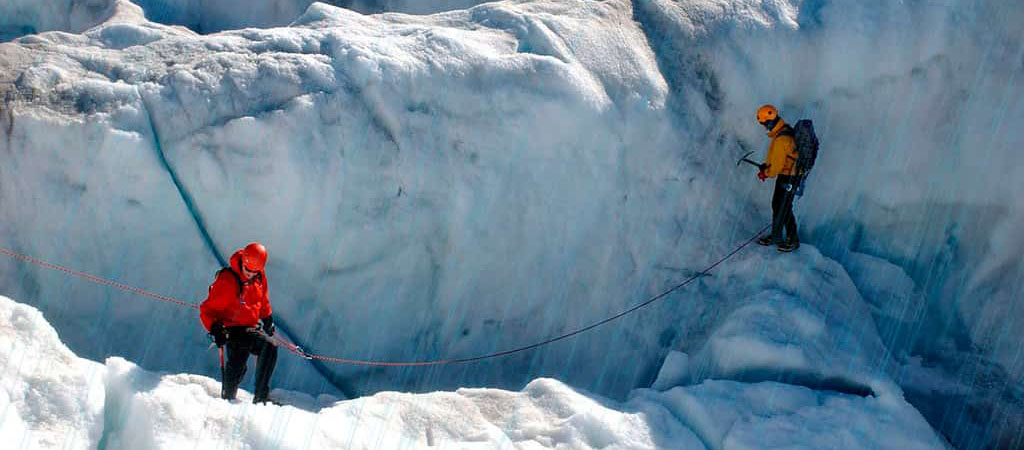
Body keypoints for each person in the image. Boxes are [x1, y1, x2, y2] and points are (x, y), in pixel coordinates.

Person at [199, 242, 279, 403]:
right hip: (231, 329)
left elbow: (262, 299)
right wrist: (215, 328)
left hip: (250, 328)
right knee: (246, 361)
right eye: (248, 270)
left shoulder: (259, 275)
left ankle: (248, 397)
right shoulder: (228, 280)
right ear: (243, 261)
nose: (250, 274)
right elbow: (207, 310)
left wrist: (267, 318)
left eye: (254, 272)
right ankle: (243, 398)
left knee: (260, 351)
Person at [755, 105, 800, 252]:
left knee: (783, 207)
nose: (763, 127)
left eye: (763, 124)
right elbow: (779, 159)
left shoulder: (781, 139)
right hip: (790, 175)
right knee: (779, 205)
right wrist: (767, 167)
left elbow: (776, 168)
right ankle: (776, 235)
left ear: (769, 122)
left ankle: (793, 240)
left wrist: (766, 173)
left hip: (789, 177)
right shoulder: (784, 130)